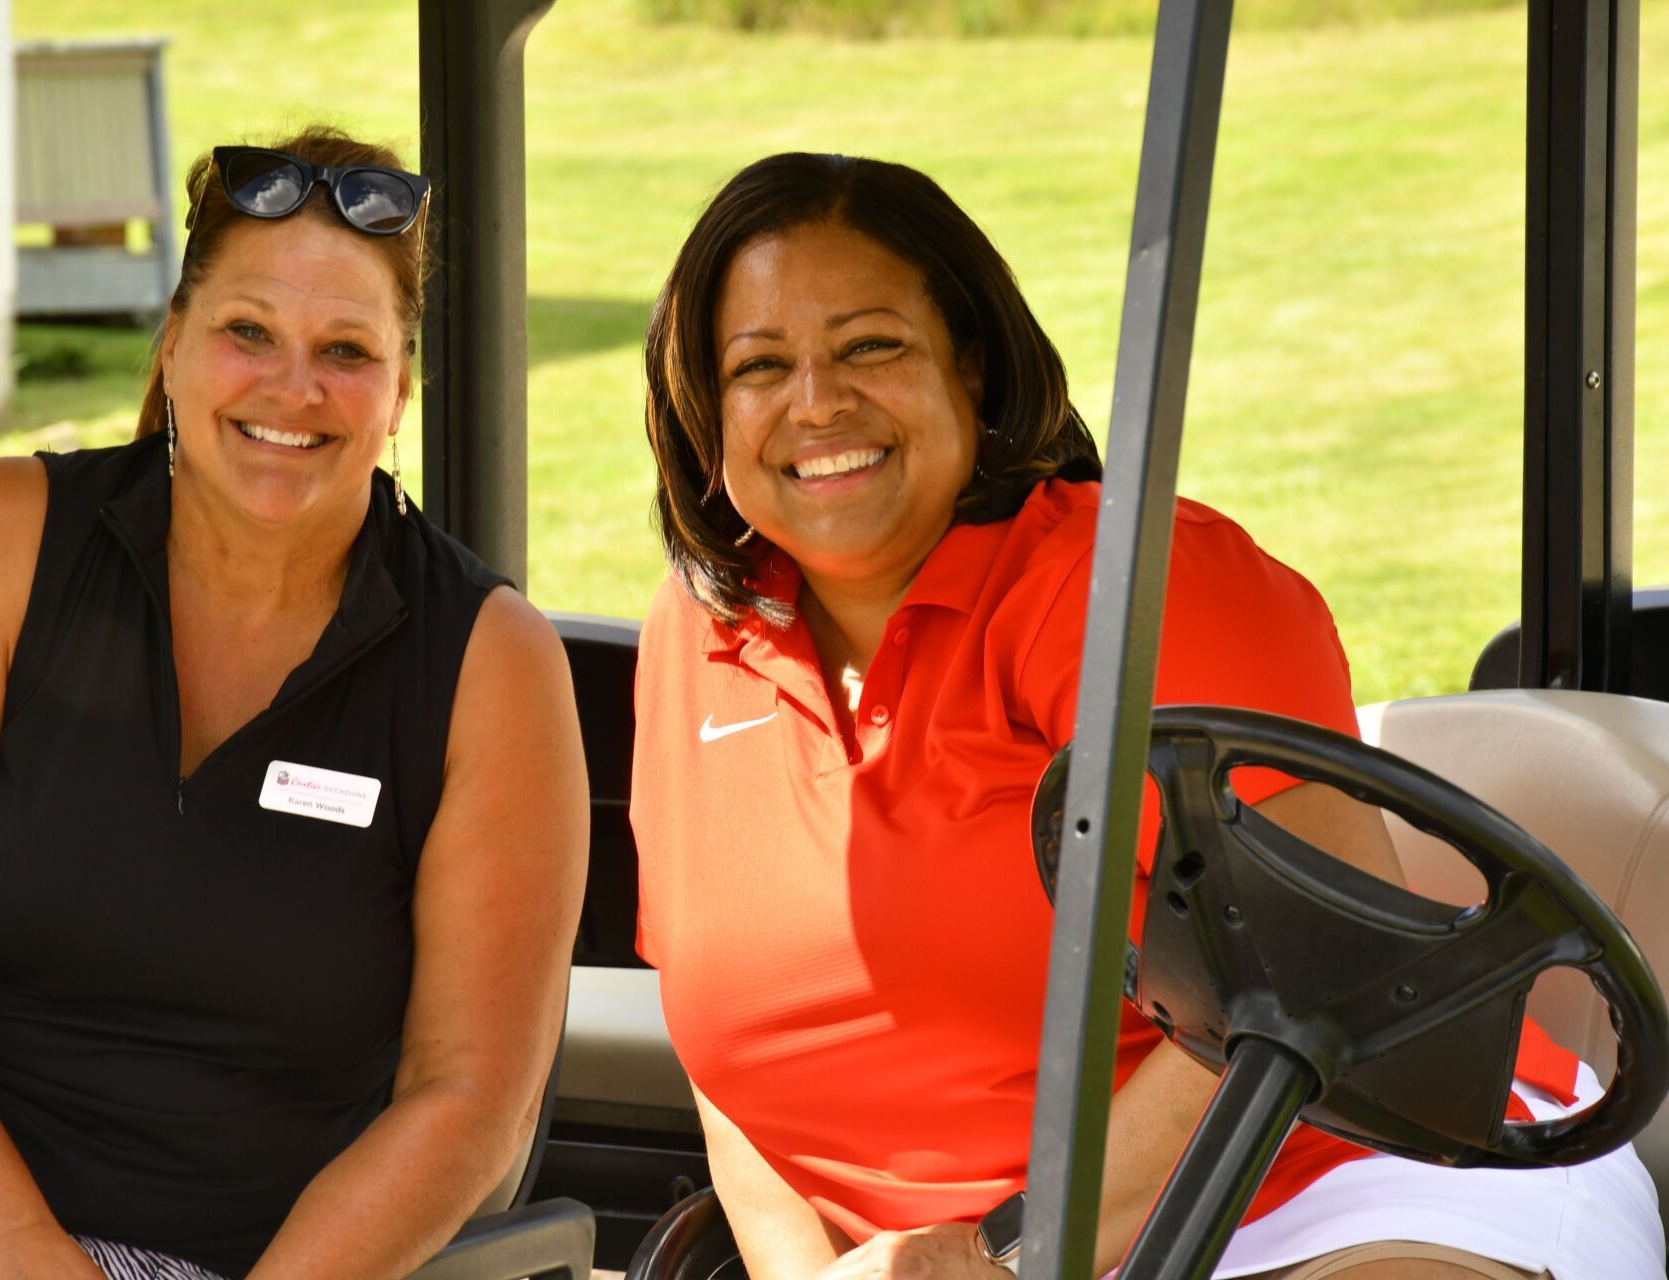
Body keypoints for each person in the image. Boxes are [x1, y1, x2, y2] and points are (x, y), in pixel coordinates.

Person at [629, 152, 1662, 1280]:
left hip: (1339, 1174)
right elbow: (723, 1054)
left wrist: (1003, 1254)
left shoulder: (1127, 583)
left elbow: (1316, 978)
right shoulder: (696, 641)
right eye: (759, 365)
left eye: (871, 344)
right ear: (702, 412)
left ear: (971, 365)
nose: (817, 400)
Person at [0, 126, 588, 1280]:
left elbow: (466, 1098)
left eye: (346, 349)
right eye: (248, 331)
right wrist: (11, 1248)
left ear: (400, 390)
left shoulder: (491, 665)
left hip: (203, 1249)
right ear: (175, 346)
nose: (294, 387)